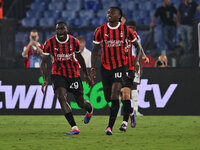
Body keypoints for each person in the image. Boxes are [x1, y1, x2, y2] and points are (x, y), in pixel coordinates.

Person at [90, 7, 143, 135]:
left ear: (119, 16)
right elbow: (95, 50)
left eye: (112, 13)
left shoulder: (126, 31)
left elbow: (138, 47)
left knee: (117, 94)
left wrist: (136, 61)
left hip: (121, 67)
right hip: (105, 68)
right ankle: (128, 109)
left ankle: (110, 127)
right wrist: (92, 68)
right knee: (109, 97)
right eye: (108, 13)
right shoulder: (100, 30)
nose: (109, 14)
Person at [40, 22, 93, 135]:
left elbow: (79, 58)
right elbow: (43, 63)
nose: (60, 31)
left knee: (80, 103)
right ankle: (74, 127)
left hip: (73, 74)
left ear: (67, 30)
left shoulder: (74, 41)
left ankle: (90, 109)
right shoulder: (49, 43)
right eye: (58, 29)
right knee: (61, 97)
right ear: (56, 31)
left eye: (62, 29)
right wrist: (45, 79)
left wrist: (86, 75)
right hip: (58, 74)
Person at [120, 20, 149, 132]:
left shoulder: (136, 36)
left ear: (135, 29)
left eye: (133, 27)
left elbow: (139, 48)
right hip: (122, 64)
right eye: (129, 27)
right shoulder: (122, 35)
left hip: (133, 63)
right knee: (120, 89)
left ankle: (135, 110)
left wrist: (140, 61)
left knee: (134, 86)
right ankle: (125, 110)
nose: (131, 29)